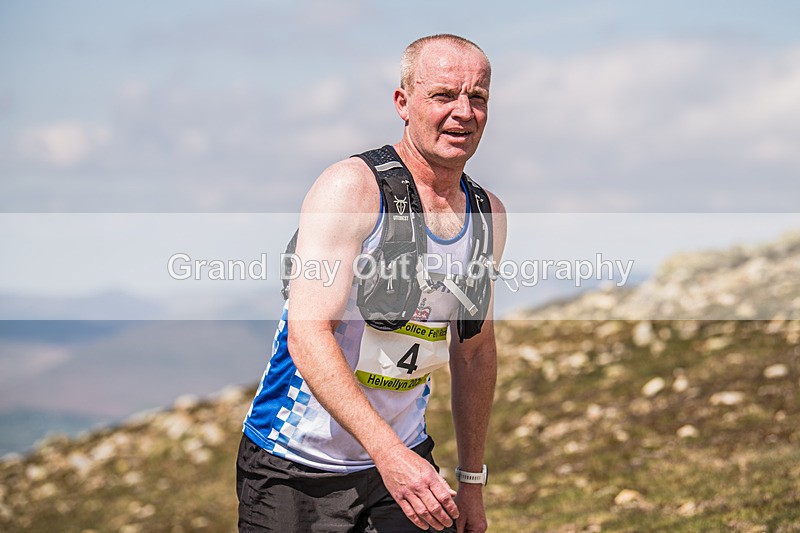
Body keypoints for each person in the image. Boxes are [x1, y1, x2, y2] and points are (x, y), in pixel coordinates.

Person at [237, 34, 506, 533]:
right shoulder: (352, 188)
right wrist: (388, 454)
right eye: (444, 96)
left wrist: (470, 481)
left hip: (402, 461)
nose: (463, 112)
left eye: (478, 98)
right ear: (403, 103)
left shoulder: (486, 213)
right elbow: (308, 334)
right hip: (298, 466)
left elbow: (473, 350)